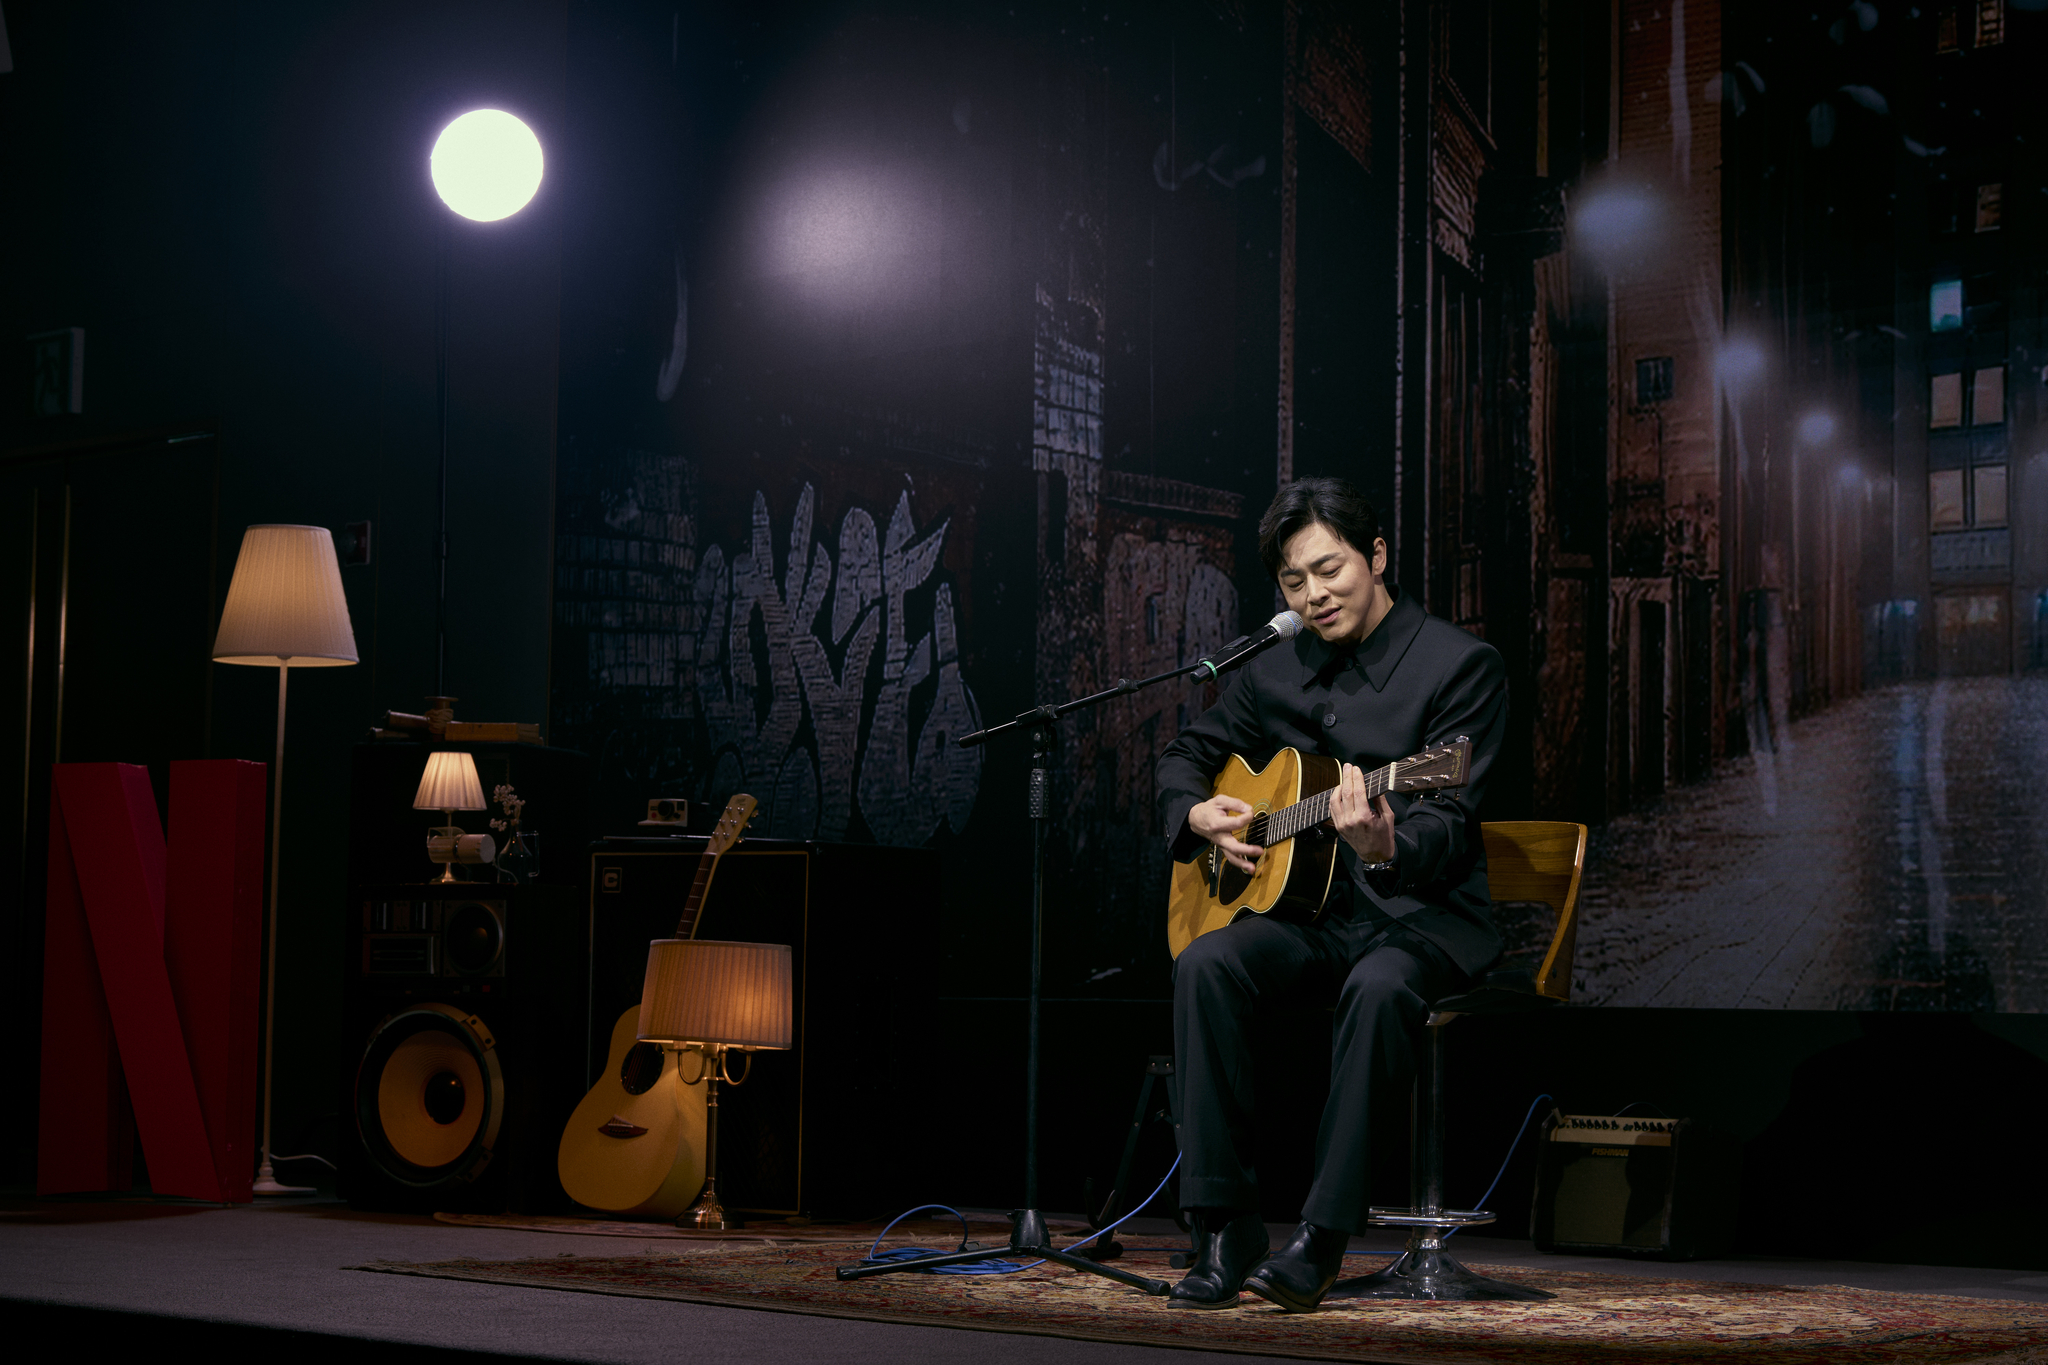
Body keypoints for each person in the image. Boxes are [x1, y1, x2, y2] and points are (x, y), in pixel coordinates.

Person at [1155, 477, 1507, 1312]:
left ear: (1376, 555)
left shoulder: (1460, 665)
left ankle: (1321, 1235)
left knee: (1379, 984)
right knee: (1206, 962)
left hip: (1418, 917)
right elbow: (1183, 753)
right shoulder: (1274, 668)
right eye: (1292, 582)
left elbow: (1451, 822)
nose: (1313, 595)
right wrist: (1195, 809)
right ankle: (1224, 1222)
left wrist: (1389, 844)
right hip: (1308, 917)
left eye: (1329, 569)